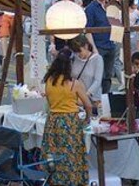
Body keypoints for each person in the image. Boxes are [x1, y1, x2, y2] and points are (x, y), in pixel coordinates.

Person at [42, 49, 91, 186]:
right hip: (70, 122)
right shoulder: (74, 84)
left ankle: (56, 181)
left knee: (55, 154)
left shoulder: (49, 82)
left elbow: (50, 101)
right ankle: (73, 181)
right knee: (72, 155)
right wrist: (87, 118)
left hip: (52, 120)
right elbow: (88, 105)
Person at [84, 0, 117, 94]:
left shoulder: (111, 7)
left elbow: (117, 23)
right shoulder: (91, 9)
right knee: (98, 76)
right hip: (98, 46)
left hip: (111, 45)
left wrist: (116, 42)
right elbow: (87, 30)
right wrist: (93, 48)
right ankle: (96, 100)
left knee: (108, 75)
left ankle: (105, 98)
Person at [67, 36, 104, 111]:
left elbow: (97, 81)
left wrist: (85, 96)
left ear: (86, 46)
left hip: (93, 100)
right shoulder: (74, 58)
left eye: (79, 51)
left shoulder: (97, 59)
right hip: (76, 100)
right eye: (75, 52)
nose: (78, 54)